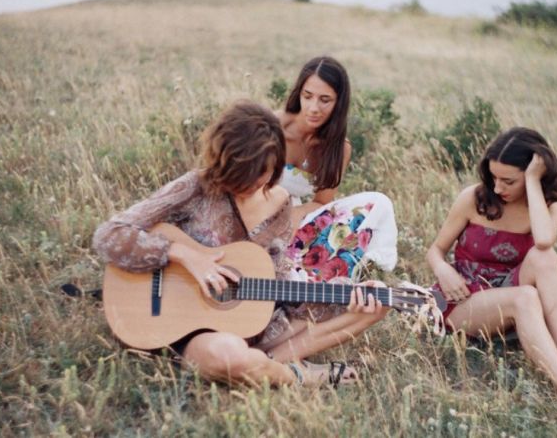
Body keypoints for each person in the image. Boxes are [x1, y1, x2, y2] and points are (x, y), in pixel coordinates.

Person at [93, 101, 388, 386]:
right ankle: (299, 376)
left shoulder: (281, 204)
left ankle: (266, 363)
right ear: (222, 161)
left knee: (373, 306)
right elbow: (108, 234)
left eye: (261, 177)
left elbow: (281, 278)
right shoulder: (195, 187)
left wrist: (345, 290)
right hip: (194, 332)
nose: (250, 187)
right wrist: (183, 255)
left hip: (254, 322)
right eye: (241, 178)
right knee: (228, 355)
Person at [426, 127, 557, 412]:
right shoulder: (473, 199)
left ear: (533, 176)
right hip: (464, 299)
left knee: (544, 257)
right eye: (493, 178)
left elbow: (543, 240)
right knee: (524, 296)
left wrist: (532, 182)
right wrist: (442, 270)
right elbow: (435, 249)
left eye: (508, 181)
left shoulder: (550, 209)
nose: (498, 188)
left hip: (509, 290)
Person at [277, 56, 398, 284]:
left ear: (339, 102)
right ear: (298, 94)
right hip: (256, 213)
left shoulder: (339, 148)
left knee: (378, 203)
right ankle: (296, 273)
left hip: (295, 221)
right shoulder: (273, 127)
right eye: (307, 96)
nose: (314, 108)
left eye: (325, 100)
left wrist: (294, 215)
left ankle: (325, 278)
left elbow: (321, 202)